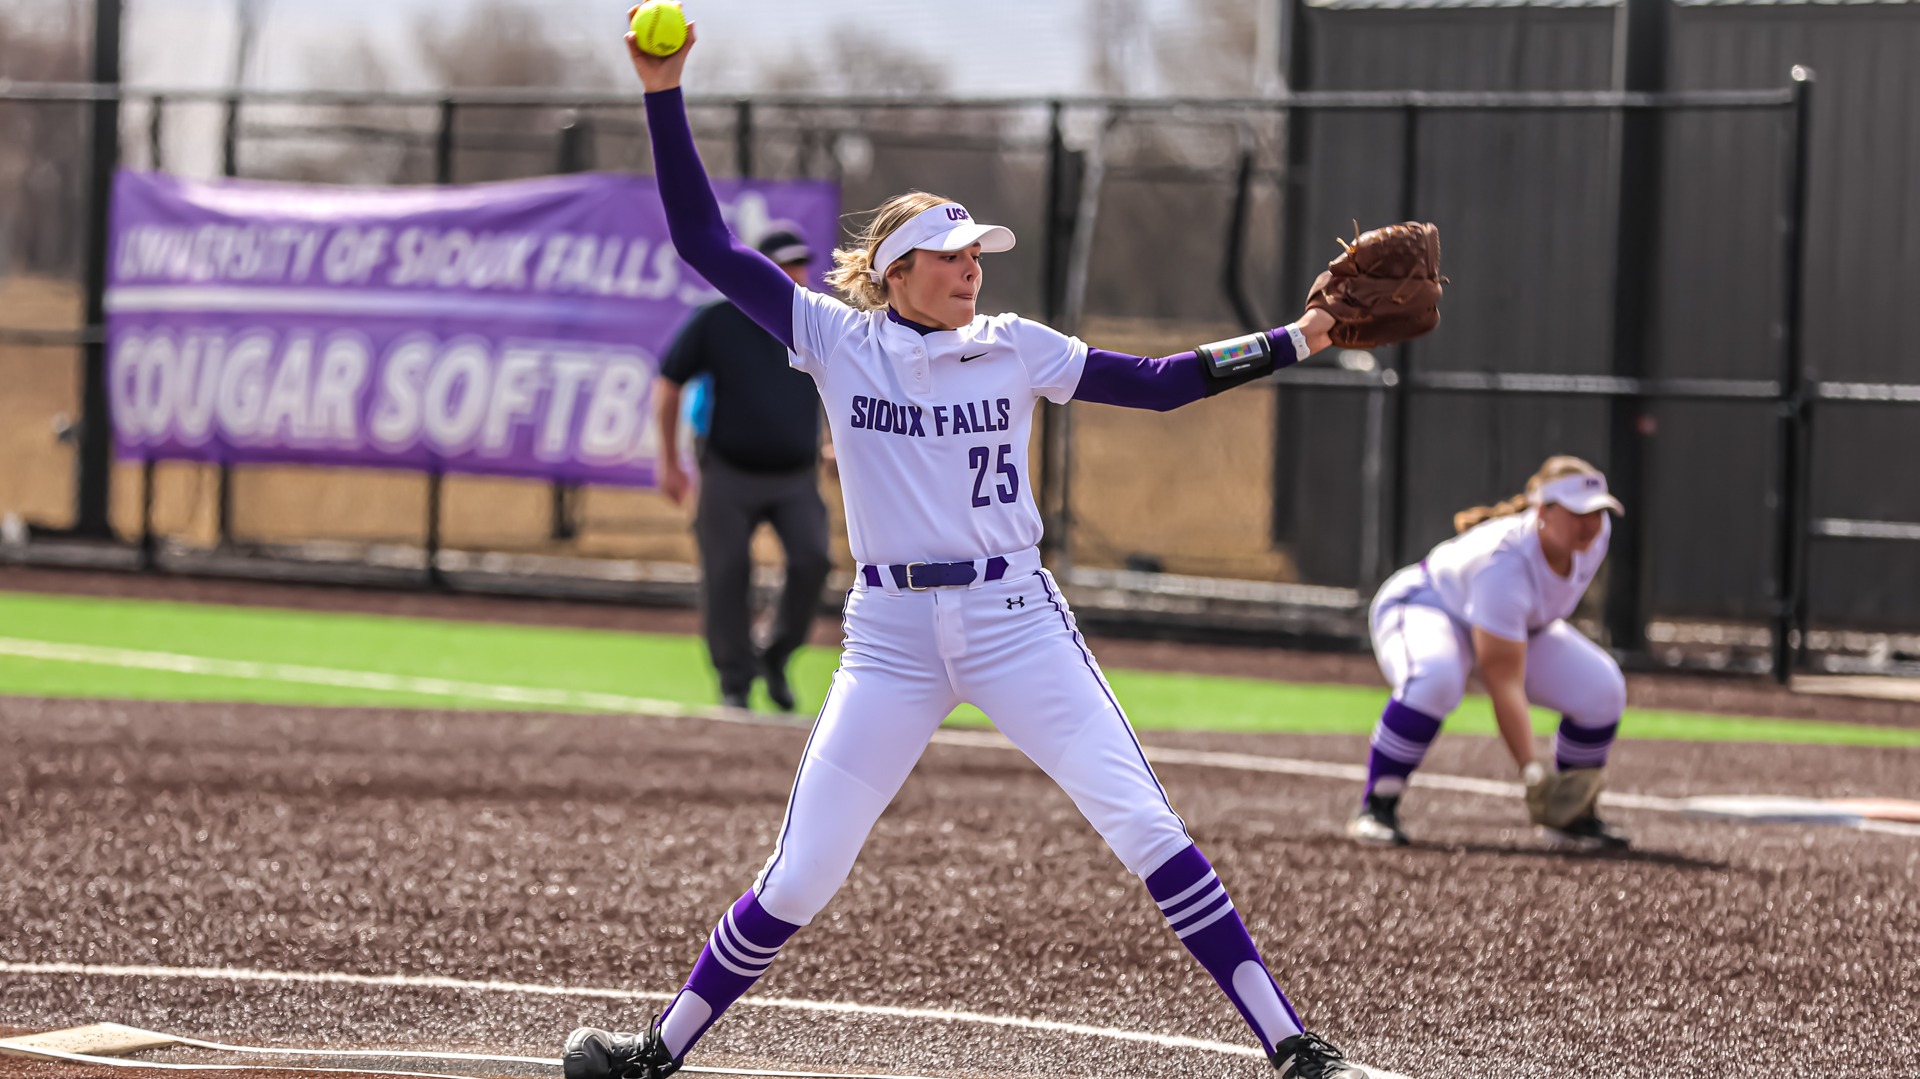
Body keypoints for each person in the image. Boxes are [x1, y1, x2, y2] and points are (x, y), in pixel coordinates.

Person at [566, 18, 1373, 1079]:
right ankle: (656, 1049)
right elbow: (706, 247)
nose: (970, 269)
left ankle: (1293, 1044)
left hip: (1016, 622)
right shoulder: (837, 341)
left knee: (1144, 824)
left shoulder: (1016, 348)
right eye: (948, 256)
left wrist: (1299, 338)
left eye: (976, 254)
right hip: (892, 635)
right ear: (895, 274)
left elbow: (1163, 382)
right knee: (801, 873)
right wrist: (661, 92)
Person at [1349, 455, 1630, 850]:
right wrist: (1531, 770)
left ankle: (1572, 816)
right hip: (1427, 607)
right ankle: (1378, 805)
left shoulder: (1595, 538)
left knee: (1604, 689)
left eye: (1598, 512)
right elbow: (1504, 683)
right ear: (1543, 511)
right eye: (1577, 513)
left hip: (1517, 627)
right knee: (1437, 678)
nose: (1590, 523)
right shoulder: (1504, 563)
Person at [653, 229, 831, 712]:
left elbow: (848, 389)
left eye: (801, 266)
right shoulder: (717, 321)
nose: (798, 276)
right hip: (728, 473)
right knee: (727, 571)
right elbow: (669, 383)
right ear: (760, 272)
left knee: (812, 559)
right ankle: (735, 679)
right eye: (786, 266)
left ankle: (774, 657)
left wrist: (837, 449)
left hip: (795, 475)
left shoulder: (815, 326)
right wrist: (669, 463)